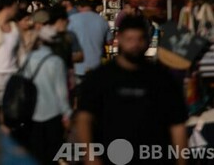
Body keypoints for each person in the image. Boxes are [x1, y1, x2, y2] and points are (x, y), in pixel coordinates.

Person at [76, 16, 188, 165]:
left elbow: (177, 124)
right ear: (119, 39)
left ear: (147, 41)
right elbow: (84, 118)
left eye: (139, 39)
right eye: (129, 39)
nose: (135, 45)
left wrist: (181, 160)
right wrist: (90, 157)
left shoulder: (162, 79)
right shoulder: (100, 78)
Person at [17, 25, 71, 164]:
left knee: (35, 153)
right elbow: (61, 91)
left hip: (31, 112)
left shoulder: (27, 59)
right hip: (52, 113)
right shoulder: (57, 62)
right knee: (52, 154)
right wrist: (67, 113)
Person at [68, 0, 110, 87]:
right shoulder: (102, 20)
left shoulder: (72, 20)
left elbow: (66, 40)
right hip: (97, 67)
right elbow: (109, 41)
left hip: (77, 68)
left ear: (79, 7)